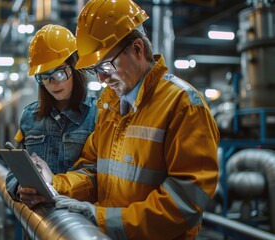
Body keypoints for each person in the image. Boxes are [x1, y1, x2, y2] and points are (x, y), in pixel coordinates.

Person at [18, 0, 220, 239]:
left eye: (106, 65)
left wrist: (102, 218)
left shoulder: (182, 105)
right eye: (96, 69)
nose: (102, 79)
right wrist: (55, 185)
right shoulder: (110, 104)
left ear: (137, 49)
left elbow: (184, 203)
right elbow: (93, 170)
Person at [5, 24, 98, 208]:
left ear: (75, 67)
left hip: (80, 224)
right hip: (38, 226)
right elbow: (13, 173)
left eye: (60, 73)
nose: (53, 83)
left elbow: (99, 177)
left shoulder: (97, 116)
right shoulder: (30, 117)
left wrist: (55, 184)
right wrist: (19, 188)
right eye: (44, 77)